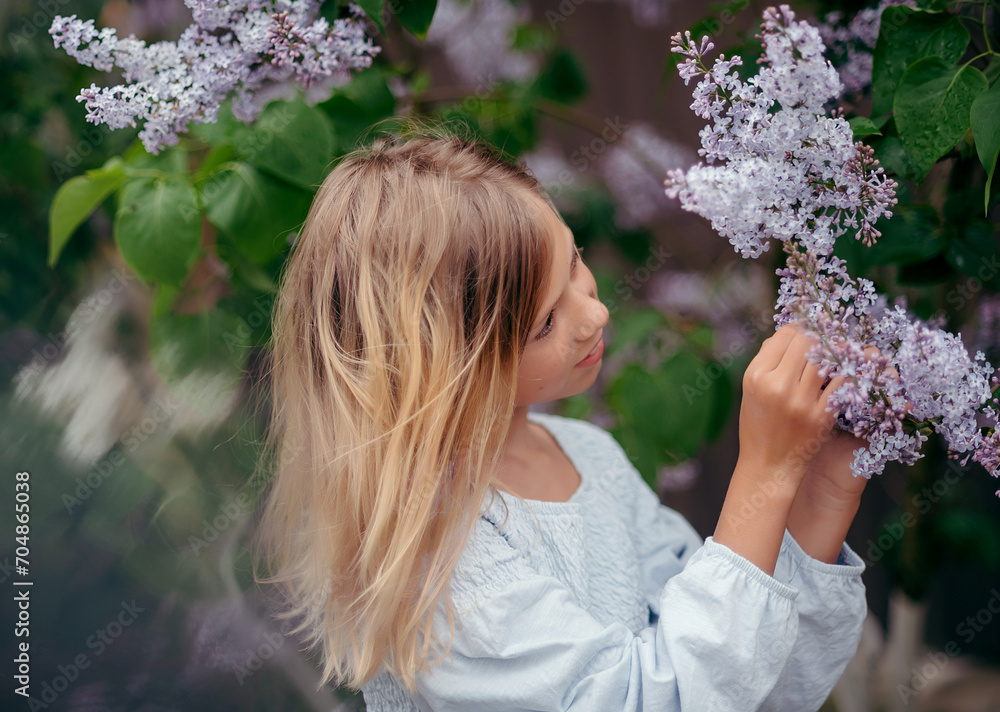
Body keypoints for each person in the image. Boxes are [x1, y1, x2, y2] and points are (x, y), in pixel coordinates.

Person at [255, 128, 870, 712]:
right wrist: (764, 473)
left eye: (574, 262)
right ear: (447, 368)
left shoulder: (588, 454)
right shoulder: (439, 563)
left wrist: (821, 494)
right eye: (546, 321)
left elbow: (742, 679)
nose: (595, 314)